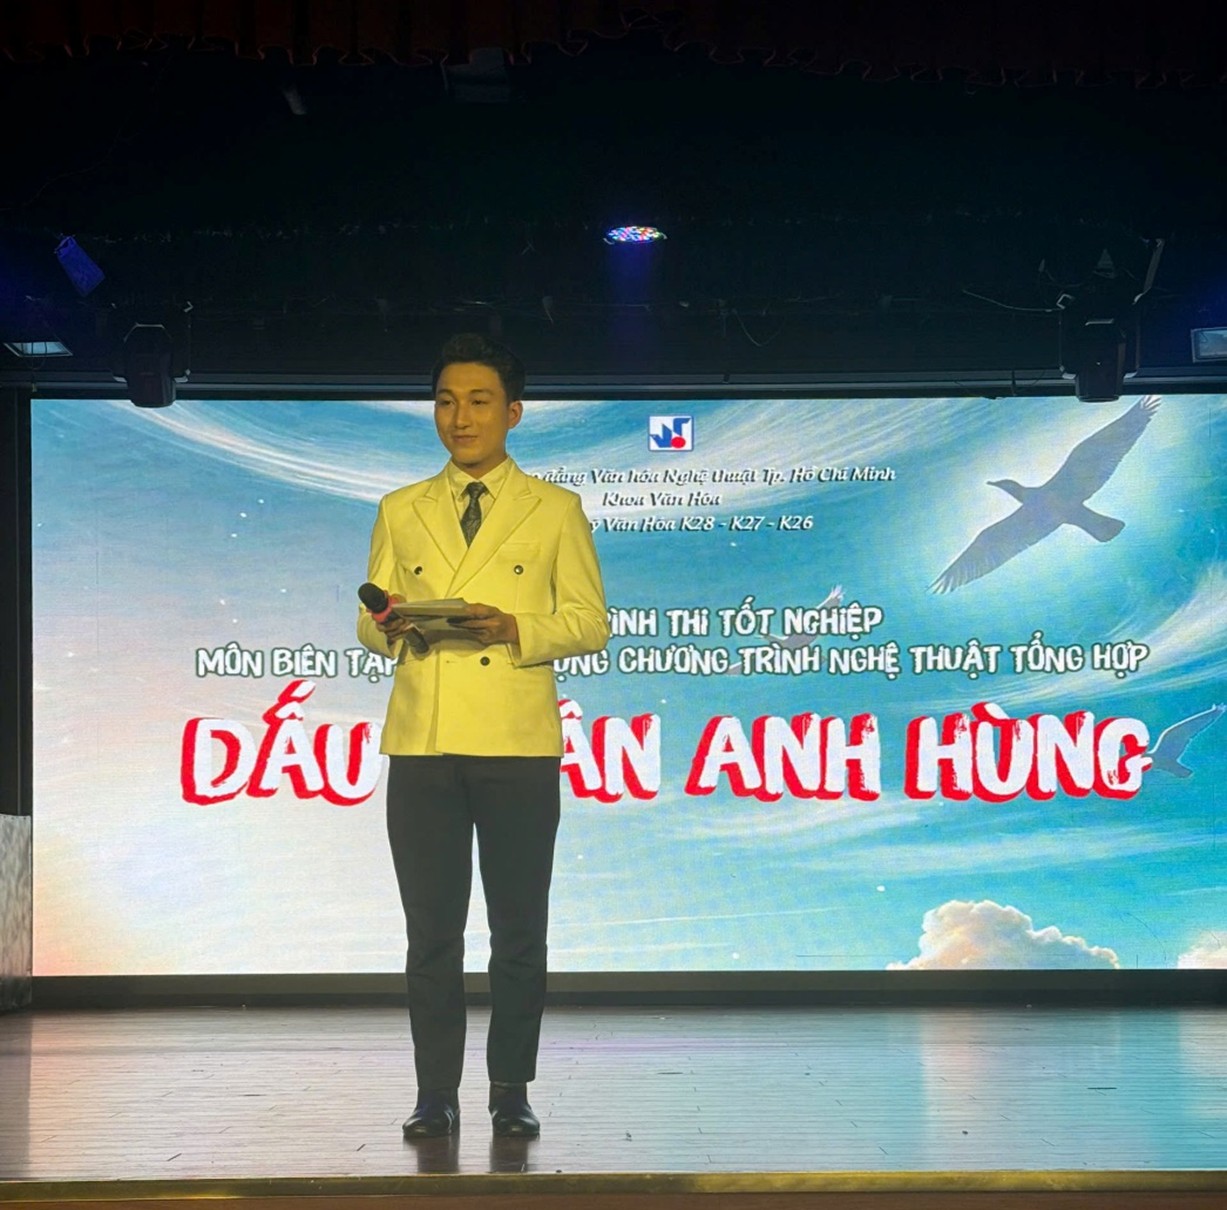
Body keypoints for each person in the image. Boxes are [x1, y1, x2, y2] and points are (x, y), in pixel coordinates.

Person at [357, 333, 609, 1139]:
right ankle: (435, 1093)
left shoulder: (554, 510)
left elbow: (590, 622)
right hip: (423, 741)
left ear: (513, 412)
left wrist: (514, 627)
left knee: (517, 931)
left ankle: (510, 1088)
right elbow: (368, 623)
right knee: (431, 934)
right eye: (444, 401)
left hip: (516, 743)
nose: (458, 417)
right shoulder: (400, 508)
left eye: (476, 401)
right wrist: (390, 626)